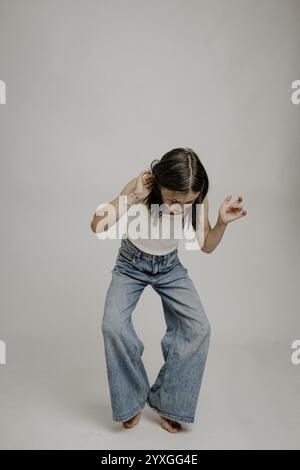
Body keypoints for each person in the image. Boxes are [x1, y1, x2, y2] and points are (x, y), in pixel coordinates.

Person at [90, 147, 247, 433]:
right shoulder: (142, 187)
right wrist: (132, 198)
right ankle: (131, 399)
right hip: (131, 265)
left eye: (186, 203)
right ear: (160, 183)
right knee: (113, 325)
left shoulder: (197, 199)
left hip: (169, 267)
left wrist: (222, 223)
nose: (179, 208)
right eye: (173, 200)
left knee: (199, 328)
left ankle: (169, 402)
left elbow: (206, 245)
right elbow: (97, 225)